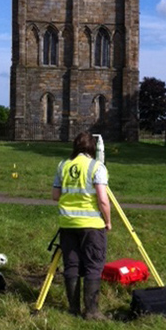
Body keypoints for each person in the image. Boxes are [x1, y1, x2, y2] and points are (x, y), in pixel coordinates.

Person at [52, 131, 112, 320]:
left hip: (67, 223)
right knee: (94, 265)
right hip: (92, 225)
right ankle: (92, 312)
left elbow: (55, 196)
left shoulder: (63, 165)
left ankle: (73, 309)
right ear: (92, 148)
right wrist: (108, 221)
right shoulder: (96, 167)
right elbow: (103, 199)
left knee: (72, 264)